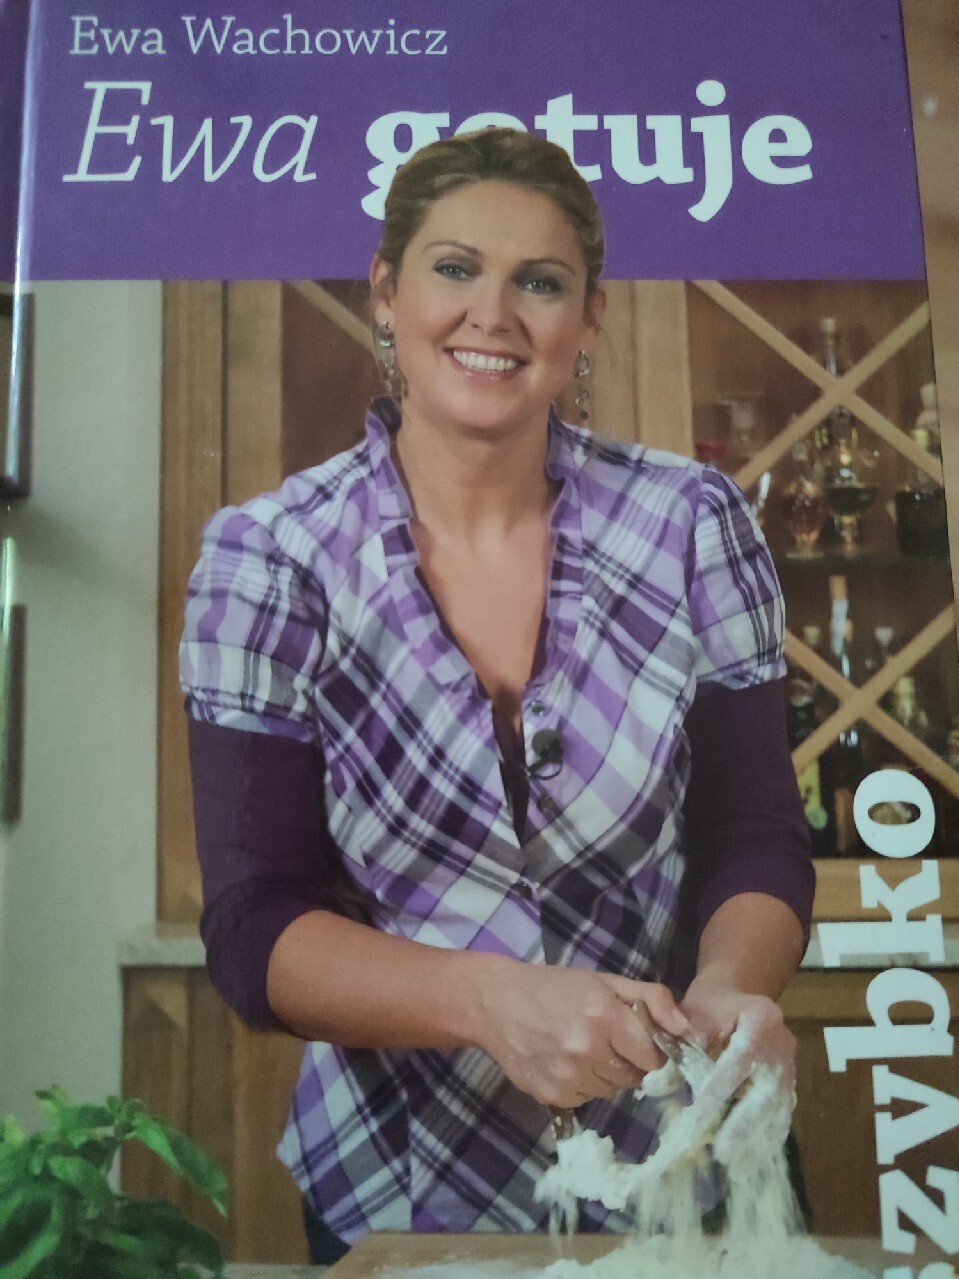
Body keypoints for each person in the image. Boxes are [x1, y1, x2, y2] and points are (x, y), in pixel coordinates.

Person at [180, 127, 814, 1263]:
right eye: (454, 268)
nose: (494, 313)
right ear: (386, 294)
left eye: (540, 282)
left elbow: (753, 832)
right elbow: (253, 923)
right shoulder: (269, 559)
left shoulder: (691, 523)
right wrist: (488, 1000)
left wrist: (729, 984)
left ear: (588, 318)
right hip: (399, 1184)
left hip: (687, 1161)